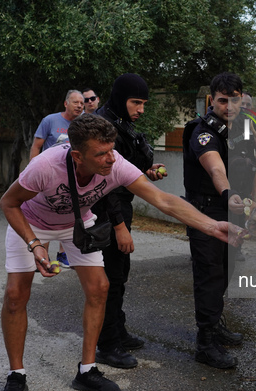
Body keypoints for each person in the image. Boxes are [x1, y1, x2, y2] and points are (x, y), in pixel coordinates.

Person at [0, 113, 243, 391]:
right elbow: (9, 203)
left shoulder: (116, 164)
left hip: (76, 224)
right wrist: (34, 243)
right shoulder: (45, 166)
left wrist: (212, 226)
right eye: (101, 154)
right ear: (78, 157)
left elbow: (163, 200)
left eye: (112, 149)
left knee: (100, 287)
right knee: (16, 295)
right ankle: (16, 375)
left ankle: (87, 370)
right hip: (32, 224)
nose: (111, 158)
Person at [183, 72, 256, 369]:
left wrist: (246, 200)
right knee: (209, 275)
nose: (228, 106)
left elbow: (249, 167)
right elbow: (215, 166)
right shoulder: (202, 131)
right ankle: (205, 344)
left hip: (233, 210)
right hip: (206, 211)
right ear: (211, 100)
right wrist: (228, 192)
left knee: (226, 271)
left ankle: (215, 325)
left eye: (234, 99)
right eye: (222, 100)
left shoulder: (243, 128)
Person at [91, 73, 165, 369]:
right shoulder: (102, 127)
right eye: (137, 102)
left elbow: (128, 167)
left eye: (144, 103)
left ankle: (116, 331)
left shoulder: (120, 124)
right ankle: (107, 345)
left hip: (120, 206)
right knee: (109, 277)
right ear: (121, 98)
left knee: (119, 274)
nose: (141, 109)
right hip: (106, 211)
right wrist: (119, 226)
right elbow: (103, 185)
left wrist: (148, 171)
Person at [29, 89, 84, 268]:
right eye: (76, 102)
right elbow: (36, 146)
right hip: (48, 177)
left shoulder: (84, 123)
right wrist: (33, 170)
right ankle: (42, 258)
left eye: (82, 103)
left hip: (73, 178)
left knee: (68, 214)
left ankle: (63, 255)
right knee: (44, 215)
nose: (80, 106)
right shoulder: (50, 120)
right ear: (66, 103)